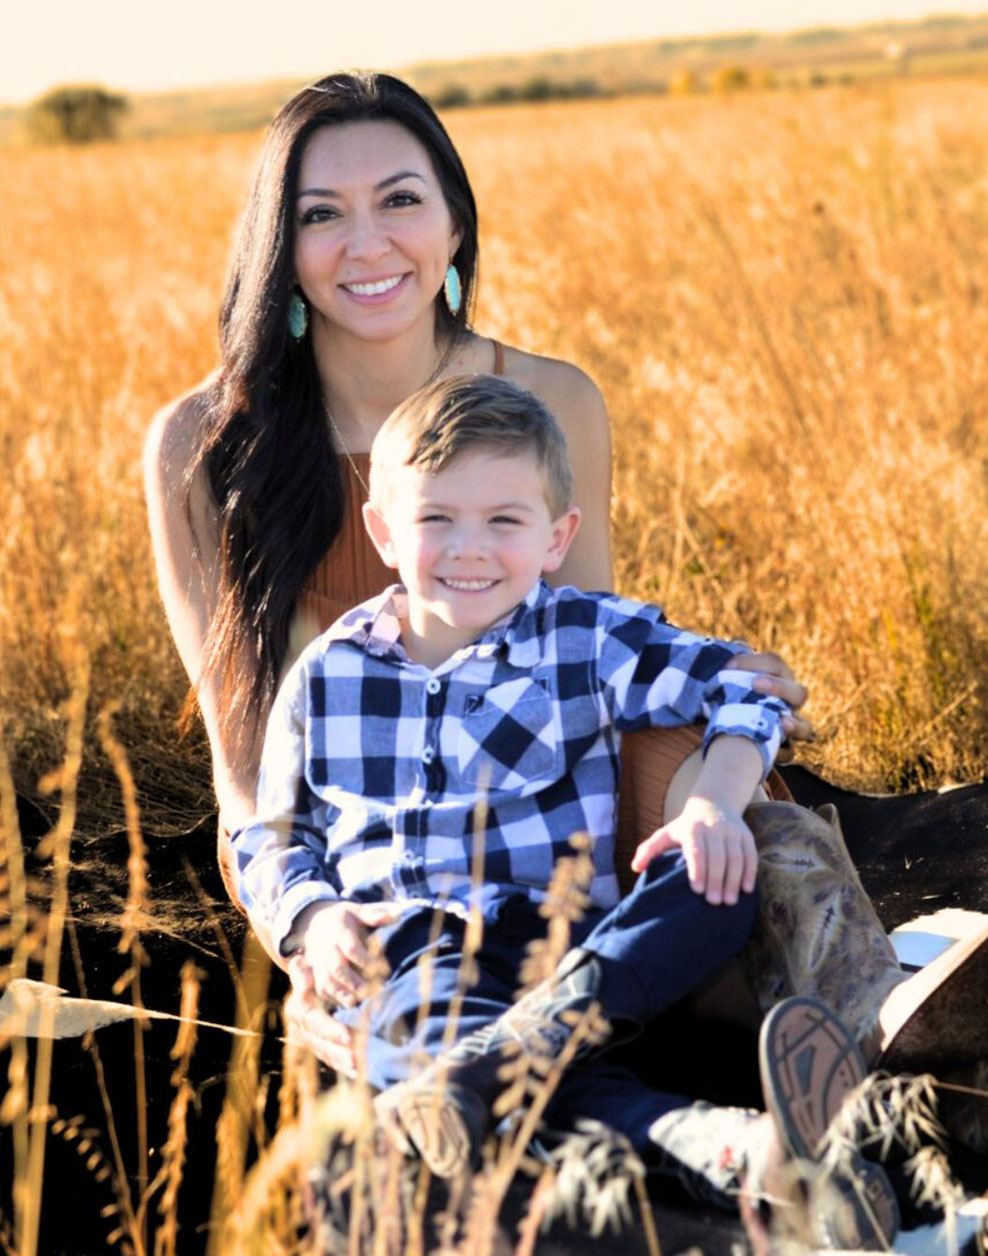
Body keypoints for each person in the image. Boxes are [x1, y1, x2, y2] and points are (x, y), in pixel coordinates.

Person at [144, 71, 988, 1090]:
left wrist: (715, 739)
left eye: (401, 200)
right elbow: (242, 759)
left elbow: (578, 647)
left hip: (539, 775)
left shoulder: (550, 396)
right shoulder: (202, 443)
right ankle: (580, 1034)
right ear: (277, 248)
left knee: (719, 798)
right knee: (430, 974)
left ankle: (876, 1017)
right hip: (359, 815)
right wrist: (312, 909)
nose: (367, 244)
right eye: (321, 214)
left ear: (455, 221)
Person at [233, 375, 908, 1247]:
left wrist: (712, 804)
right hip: (415, 957)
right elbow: (272, 835)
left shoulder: (583, 638)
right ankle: (748, 1152)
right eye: (437, 518)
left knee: (714, 877)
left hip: (581, 953)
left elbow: (745, 684)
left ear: (558, 538)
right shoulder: (328, 674)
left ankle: (511, 1058)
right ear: (384, 533)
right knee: (461, 1094)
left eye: (504, 522)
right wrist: (314, 918)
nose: (468, 548)